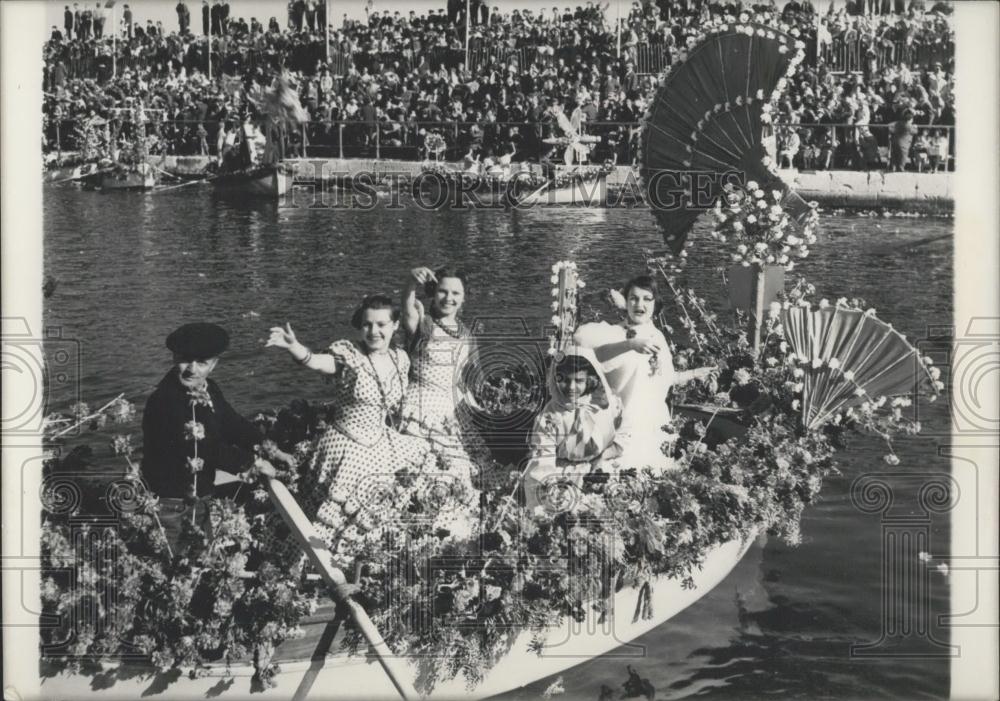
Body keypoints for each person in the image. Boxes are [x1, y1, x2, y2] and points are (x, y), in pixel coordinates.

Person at [266, 296, 448, 559]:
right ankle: (323, 564)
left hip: (381, 442)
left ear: (394, 325)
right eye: (367, 325)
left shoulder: (400, 359)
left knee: (421, 469)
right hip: (346, 445)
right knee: (334, 512)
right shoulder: (349, 355)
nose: (374, 332)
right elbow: (319, 362)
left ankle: (370, 559)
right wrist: (296, 348)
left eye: (381, 324)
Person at [141, 323, 283, 553]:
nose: (192, 369)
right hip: (170, 503)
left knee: (199, 555)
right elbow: (205, 448)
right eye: (186, 360)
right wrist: (252, 463)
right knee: (171, 561)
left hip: (201, 496)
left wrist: (270, 448)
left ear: (214, 364)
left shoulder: (209, 389)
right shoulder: (165, 400)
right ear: (175, 357)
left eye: (202, 363)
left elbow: (232, 423)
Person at [573, 275, 713, 474]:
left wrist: (695, 373)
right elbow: (597, 356)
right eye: (633, 298)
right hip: (624, 424)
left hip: (654, 422)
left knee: (656, 477)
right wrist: (630, 345)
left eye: (647, 299)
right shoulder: (616, 333)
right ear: (625, 302)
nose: (640, 304)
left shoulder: (657, 335)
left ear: (656, 304)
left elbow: (666, 378)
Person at [399, 267, 485, 494]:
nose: (449, 298)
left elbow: (466, 381)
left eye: (456, 293)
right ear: (432, 293)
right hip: (420, 405)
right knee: (422, 469)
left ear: (464, 298)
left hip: (451, 408)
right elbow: (406, 309)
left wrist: (477, 410)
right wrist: (410, 283)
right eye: (443, 292)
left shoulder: (467, 335)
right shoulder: (423, 324)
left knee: (459, 471)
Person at [523, 347, 623, 511]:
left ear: (590, 380)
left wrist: (606, 454)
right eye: (565, 380)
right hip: (563, 474)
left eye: (579, 380)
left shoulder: (605, 404)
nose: (571, 387)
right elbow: (542, 458)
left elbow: (625, 431)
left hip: (599, 468)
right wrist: (552, 488)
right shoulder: (550, 417)